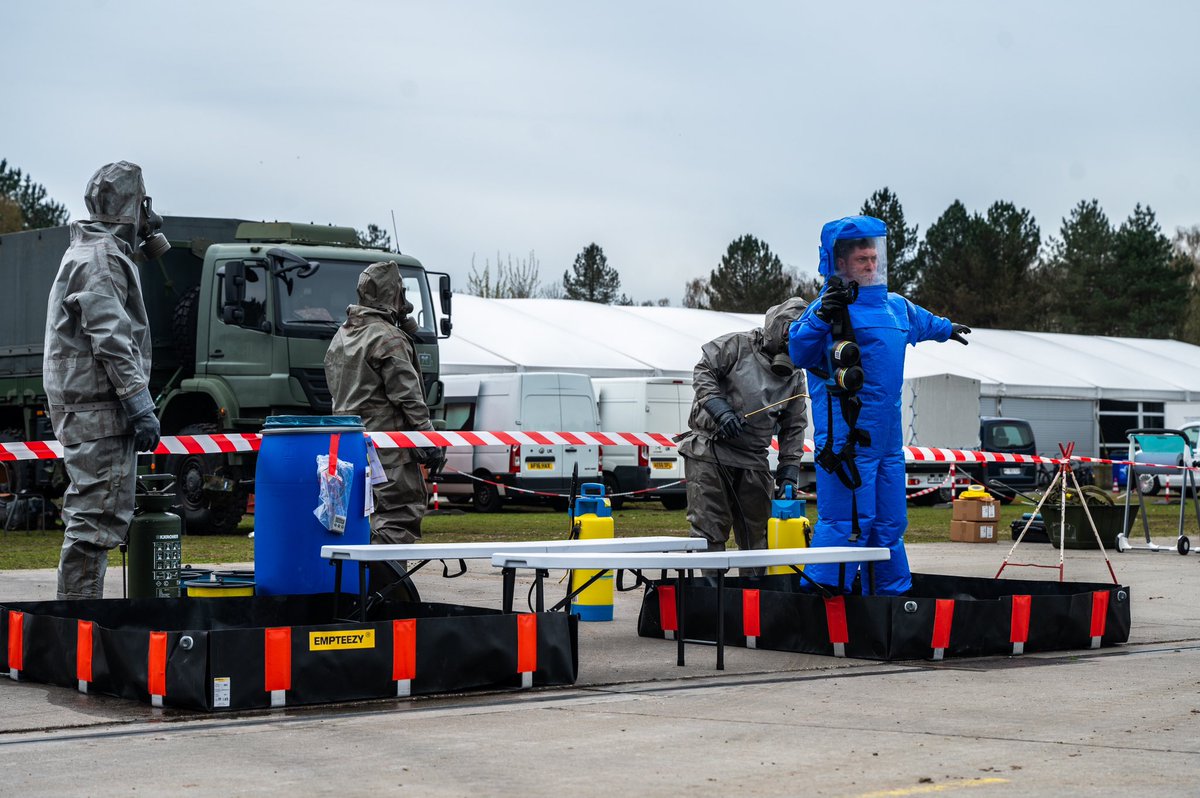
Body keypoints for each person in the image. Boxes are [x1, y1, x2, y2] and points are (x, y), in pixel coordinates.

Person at [788, 215, 970, 595]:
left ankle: (890, 601)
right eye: (862, 260)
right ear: (840, 263)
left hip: (887, 444)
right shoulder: (826, 309)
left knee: (889, 523)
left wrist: (947, 328)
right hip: (845, 444)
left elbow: (925, 323)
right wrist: (821, 316)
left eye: (874, 258)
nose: (871, 265)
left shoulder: (896, 307)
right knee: (846, 522)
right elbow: (800, 351)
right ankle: (824, 603)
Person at [44, 161, 168, 600]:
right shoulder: (101, 259)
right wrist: (139, 404)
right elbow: (112, 340)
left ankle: (76, 634)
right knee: (94, 523)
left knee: (93, 519)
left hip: (92, 411)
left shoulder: (89, 251)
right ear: (135, 206)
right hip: (102, 414)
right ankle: (78, 632)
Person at [323, 261, 443, 591]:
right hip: (388, 455)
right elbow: (409, 398)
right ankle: (383, 598)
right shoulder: (387, 339)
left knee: (357, 524)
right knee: (397, 517)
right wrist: (429, 442)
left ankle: (353, 593)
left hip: (347, 452)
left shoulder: (341, 337)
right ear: (394, 294)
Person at [677, 298, 810, 568]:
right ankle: (712, 604)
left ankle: (753, 603)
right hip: (710, 451)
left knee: (756, 538)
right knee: (709, 533)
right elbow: (703, 370)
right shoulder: (737, 345)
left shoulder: (795, 376)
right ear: (776, 327)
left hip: (753, 459)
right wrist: (719, 409)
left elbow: (794, 426)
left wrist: (788, 473)